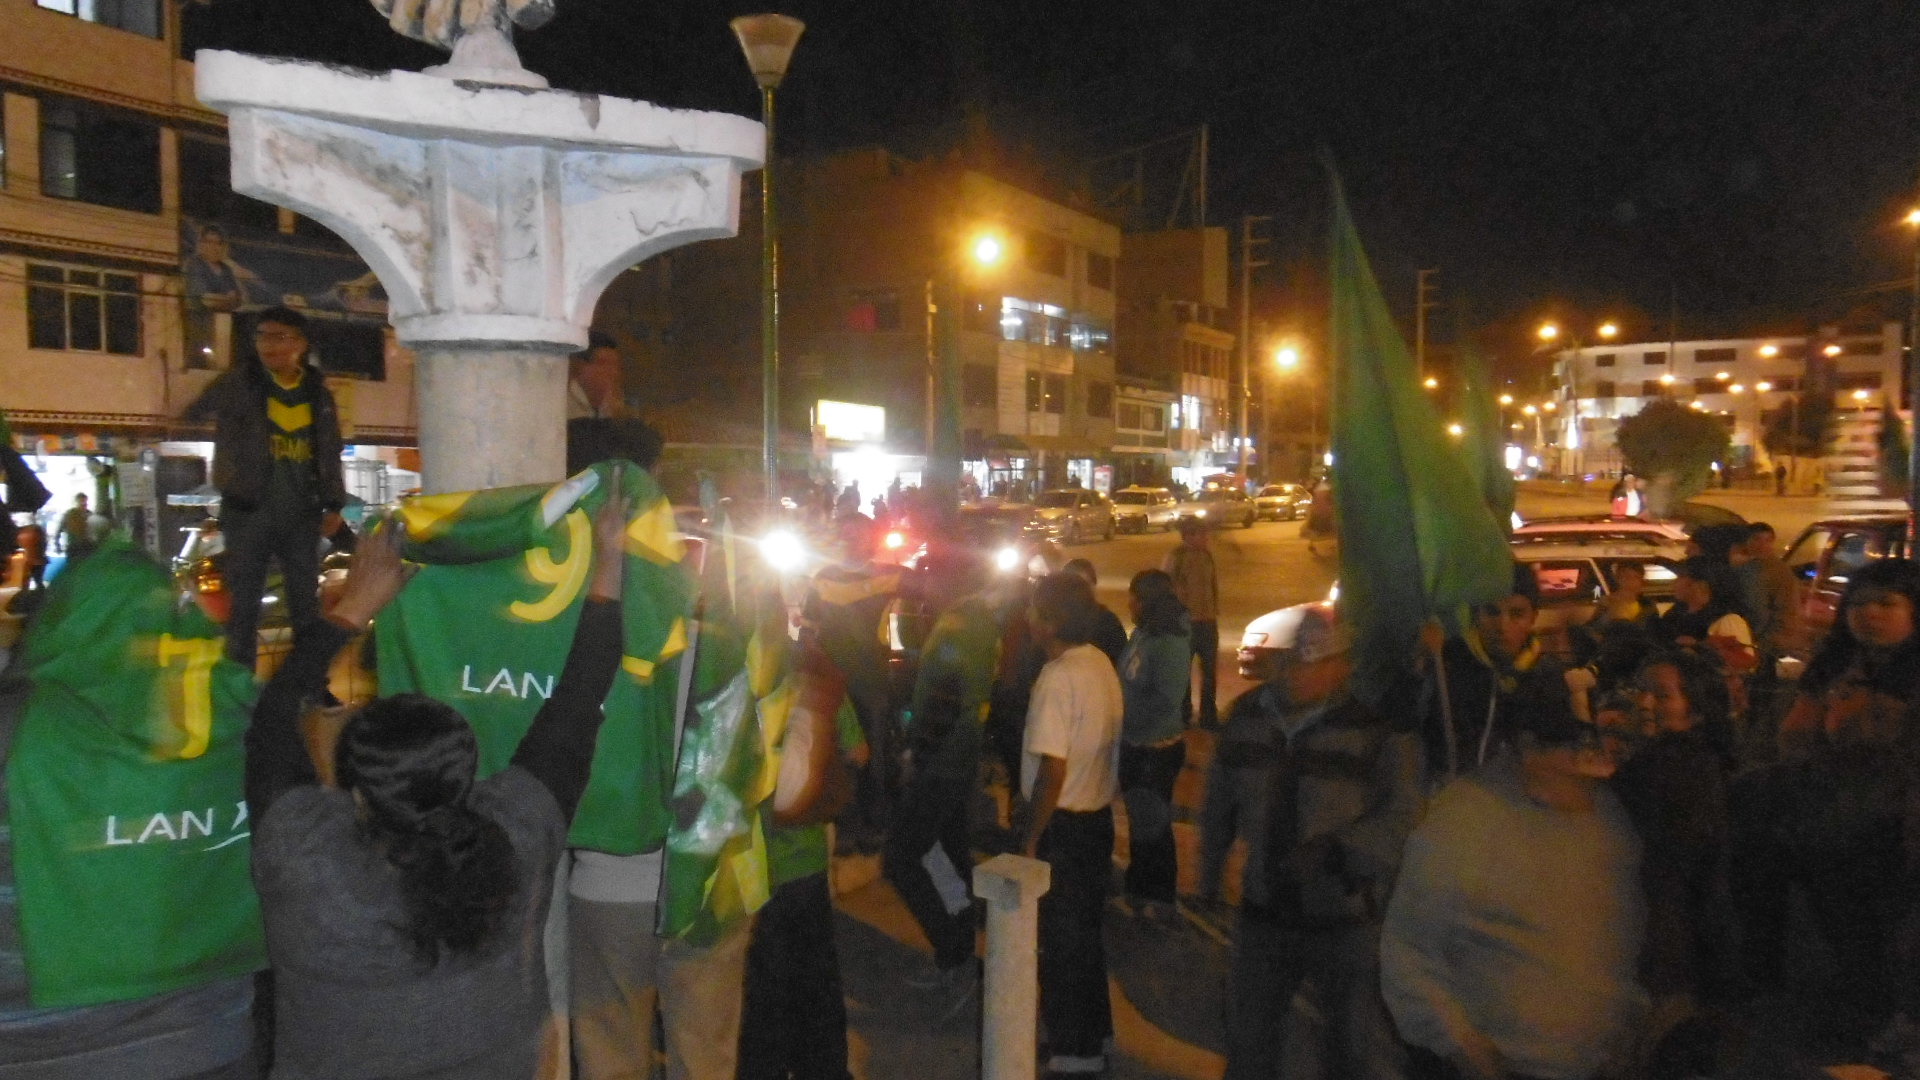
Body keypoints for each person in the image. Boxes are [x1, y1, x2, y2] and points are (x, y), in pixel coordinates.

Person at [245, 490, 627, 1079]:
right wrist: (608, 563)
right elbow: (580, 699)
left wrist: (353, 608)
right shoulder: (515, 834)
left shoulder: (304, 853)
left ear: (357, 788)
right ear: (467, 775)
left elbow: (271, 720)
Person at [1382, 677, 1646, 1080]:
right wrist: (1463, 1046)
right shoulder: (1467, 821)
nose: (1585, 763)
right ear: (1527, 746)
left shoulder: (1604, 821)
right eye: (1571, 748)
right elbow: (1410, 949)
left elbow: (1616, 933)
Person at [1223, 606, 1420, 1080]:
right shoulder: (1249, 717)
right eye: (1296, 663)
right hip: (1264, 914)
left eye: (1318, 663)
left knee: (1347, 1051)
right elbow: (1221, 798)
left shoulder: (1375, 733)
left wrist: (1338, 851)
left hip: (1342, 922)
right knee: (1249, 1043)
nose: (1302, 676)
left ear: (1342, 666)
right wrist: (1213, 869)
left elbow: (1401, 820)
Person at [1739, 559, 1920, 1036]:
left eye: (1887, 603)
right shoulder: (1836, 665)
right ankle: (1767, 974)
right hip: (1832, 797)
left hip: (1895, 810)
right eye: (1860, 604)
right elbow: (1794, 734)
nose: (1871, 614)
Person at [183, 306, 348, 668]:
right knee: (243, 606)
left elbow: (330, 451)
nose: (268, 345)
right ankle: (239, 685)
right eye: (261, 336)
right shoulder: (238, 383)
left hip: (301, 512)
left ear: (301, 344)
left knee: (305, 604)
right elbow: (195, 411)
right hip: (248, 510)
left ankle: (309, 683)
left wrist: (334, 505)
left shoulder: (317, 393)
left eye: (280, 337)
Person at [1611, 651, 1737, 1077]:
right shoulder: (1707, 766)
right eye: (1640, 690)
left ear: (1695, 710)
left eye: (1661, 695)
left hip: (1662, 945)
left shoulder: (1665, 768)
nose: (1645, 703)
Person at [1018, 571, 1123, 1078]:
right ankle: (1096, 1035)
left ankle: (1074, 1050)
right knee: (1086, 938)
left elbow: (1051, 768)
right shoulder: (1099, 663)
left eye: (1035, 611)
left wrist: (1032, 838)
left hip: (1064, 825)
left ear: (1050, 622)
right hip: (1097, 819)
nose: (1027, 620)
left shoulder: (1058, 678)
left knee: (1061, 945)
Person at [886, 551, 1001, 995]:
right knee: (950, 855)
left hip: (940, 763)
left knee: (902, 858)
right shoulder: (981, 623)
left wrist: (915, 754)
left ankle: (953, 949)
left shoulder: (955, 630)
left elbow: (943, 704)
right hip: (964, 757)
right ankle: (960, 946)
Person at [801, 514, 903, 849]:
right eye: (844, 534)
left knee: (874, 751)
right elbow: (809, 629)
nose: (850, 539)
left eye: (857, 534)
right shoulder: (823, 579)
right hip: (834, 684)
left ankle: (876, 823)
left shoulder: (889, 575)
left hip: (871, 680)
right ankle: (846, 822)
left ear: (871, 538)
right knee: (837, 751)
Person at [1418, 562, 1567, 783]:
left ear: (1533, 617)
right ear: (1477, 613)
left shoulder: (1546, 675)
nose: (1502, 625)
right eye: (1492, 612)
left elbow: (1557, 743)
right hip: (1449, 796)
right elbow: (1408, 718)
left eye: (1516, 614)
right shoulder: (1448, 660)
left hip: (1511, 803)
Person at [1116, 569, 1191, 916]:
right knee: (1140, 820)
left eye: (1136, 596)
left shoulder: (1170, 641)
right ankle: (1138, 889)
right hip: (1134, 743)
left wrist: (1127, 720)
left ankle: (1159, 896)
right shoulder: (1144, 633)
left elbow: (1166, 699)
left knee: (1154, 824)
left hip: (1155, 749)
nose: (1130, 602)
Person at [1163, 518, 1221, 729]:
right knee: (1182, 671)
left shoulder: (1206, 556)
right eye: (1201, 534)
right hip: (1186, 623)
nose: (1206, 538)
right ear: (1188, 536)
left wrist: (1214, 611)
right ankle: (1184, 713)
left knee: (1210, 671)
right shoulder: (1177, 557)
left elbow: (1212, 585)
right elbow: (1167, 589)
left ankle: (1208, 715)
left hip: (1207, 621)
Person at [1063, 557, 1127, 667]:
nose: (1081, 591)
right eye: (1076, 586)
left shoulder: (1107, 622)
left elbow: (1120, 662)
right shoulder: (1059, 622)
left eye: (1086, 585)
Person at [567, 330, 628, 420]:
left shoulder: (613, 405)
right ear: (581, 366)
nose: (612, 372)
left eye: (615, 365)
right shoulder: (564, 403)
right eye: (604, 364)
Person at [56, 493, 99, 564]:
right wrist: (57, 545)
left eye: (85, 501)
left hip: (87, 547)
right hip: (73, 547)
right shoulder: (69, 514)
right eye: (81, 501)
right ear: (76, 502)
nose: (83, 503)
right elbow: (59, 530)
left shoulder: (90, 515)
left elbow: (95, 531)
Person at [14, 515, 46, 591]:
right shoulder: (39, 534)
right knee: (38, 581)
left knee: (27, 581)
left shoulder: (28, 534)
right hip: (39, 561)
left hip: (31, 561)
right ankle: (40, 595)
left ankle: (27, 596)